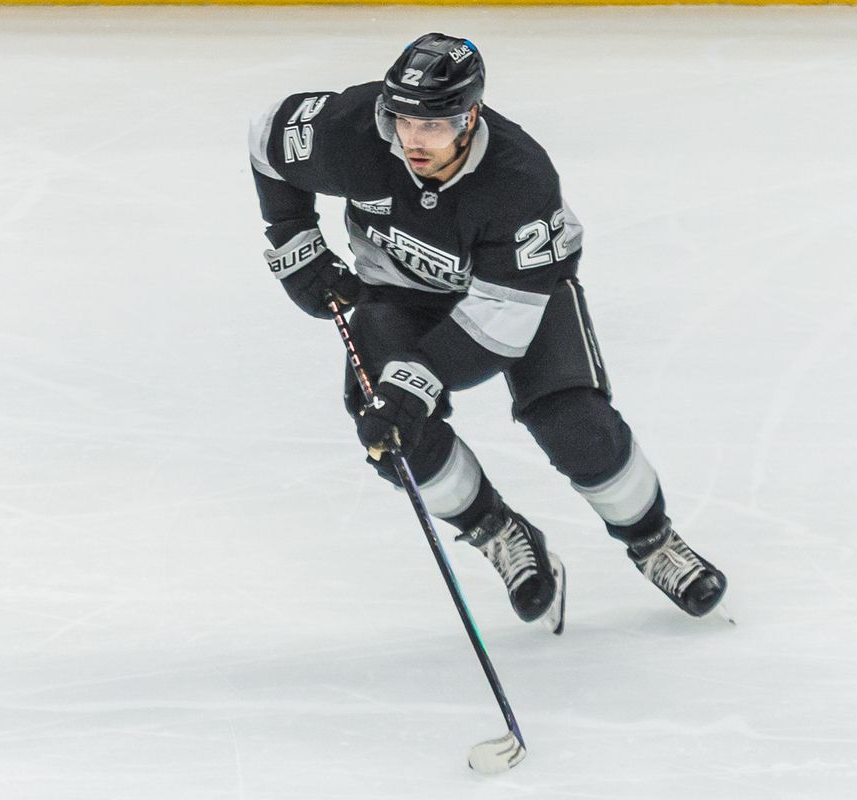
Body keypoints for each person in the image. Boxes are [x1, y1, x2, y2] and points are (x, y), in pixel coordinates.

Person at [248, 32, 727, 634]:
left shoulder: (519, 179)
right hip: (397, 293)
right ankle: (501, 532)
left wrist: (416, 378)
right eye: (401, 120)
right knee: (392, 434)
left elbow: (500, 325)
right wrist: (294, 238)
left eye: (434, 125)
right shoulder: (355, 131)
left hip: (522, 294)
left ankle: (653, 540)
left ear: (470, 116)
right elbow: (269, 138)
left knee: (572, 421)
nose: (412, 140)